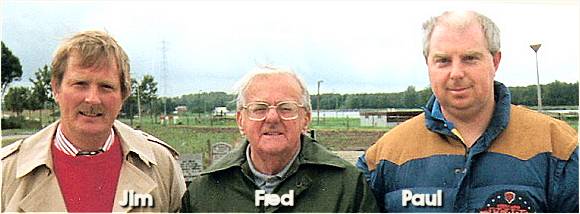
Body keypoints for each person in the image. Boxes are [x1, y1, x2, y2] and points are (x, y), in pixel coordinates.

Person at [357, 11, 578, 212]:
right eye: (443, 61)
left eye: (470, 58)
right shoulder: (383, 157)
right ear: (428, 65)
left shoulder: (558, 147)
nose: (456, 73)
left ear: (495, 61)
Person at [1, 30, 186, 212]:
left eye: (106, 87)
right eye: (80, 84)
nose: (92, 99)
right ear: (56, 88)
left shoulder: (162, 166)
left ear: (124, 95)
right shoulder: (7, 172)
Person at [181, 66, 379, 212]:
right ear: (241, 120)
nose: (273, 118)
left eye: (286, 108)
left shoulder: (348, 187)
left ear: (306, 119)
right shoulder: (205, 190)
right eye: (259, 108)